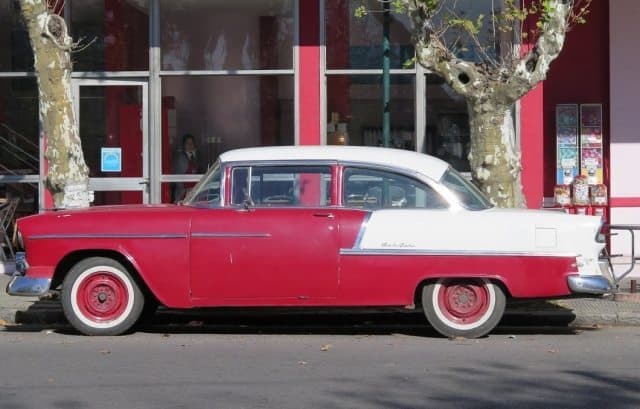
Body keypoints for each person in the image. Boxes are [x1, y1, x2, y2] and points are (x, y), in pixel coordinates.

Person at [172, 134, 203, 202]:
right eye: (187, 143)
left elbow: (199, 169)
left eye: (191, 143)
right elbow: (177, 177)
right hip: (182, 193)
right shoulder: (180, 158)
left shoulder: (197, 156)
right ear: (184, 145)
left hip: (194, 191)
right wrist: (184, 191)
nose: (190, 145)